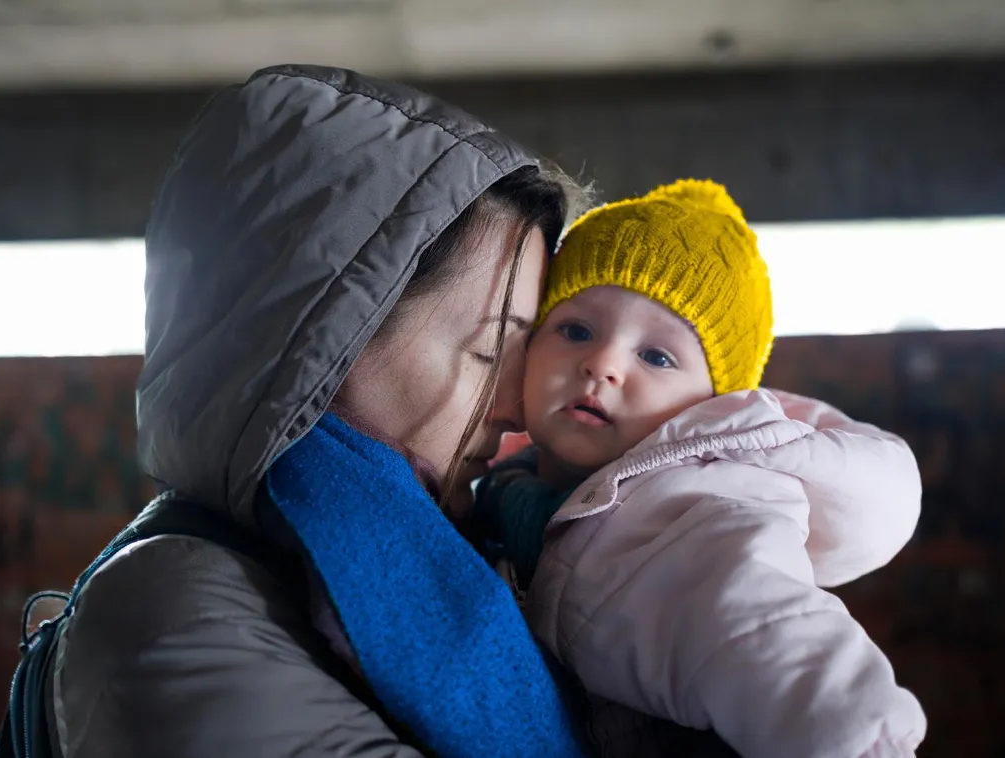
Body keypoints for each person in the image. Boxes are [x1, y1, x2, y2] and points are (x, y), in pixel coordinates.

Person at [43, 64, 596, 758]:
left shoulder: (418, 568)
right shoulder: (175, 608)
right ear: (328, 336)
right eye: (488, 353)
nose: (517, 409)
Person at [473, 179, 928, 757]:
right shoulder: (501, 495)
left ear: (710, 405)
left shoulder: (698, 520)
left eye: (657, 356)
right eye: (576, 330)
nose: (603, 363)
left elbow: (796, 666)